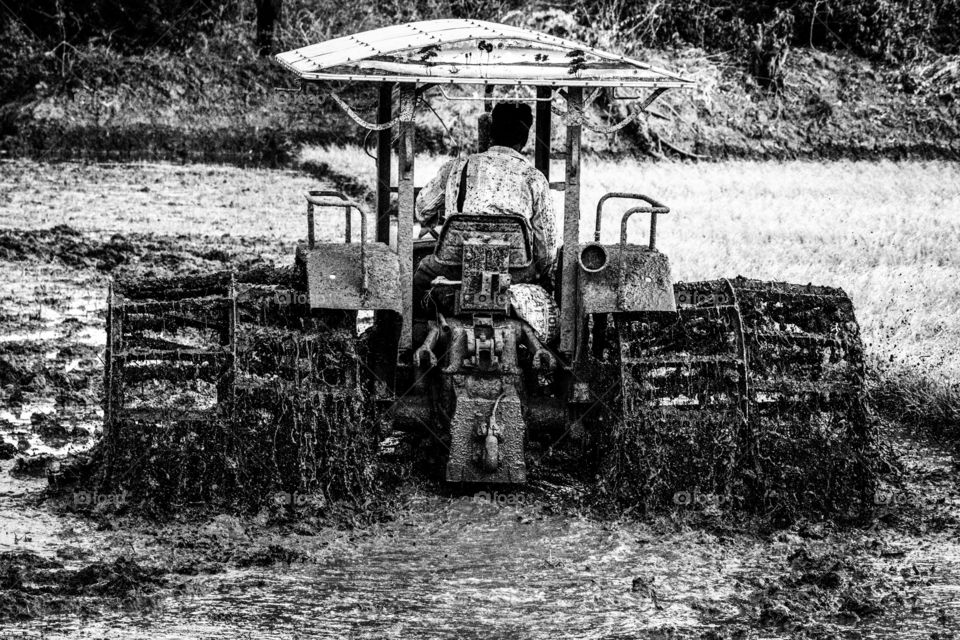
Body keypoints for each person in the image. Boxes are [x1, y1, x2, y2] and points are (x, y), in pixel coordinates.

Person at [413, 102, 557, 313]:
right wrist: (539, 273)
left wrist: (434, 217)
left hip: (455, 268)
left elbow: (422, 208)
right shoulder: (534, 178)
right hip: (514, 273)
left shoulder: (456, 168)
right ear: (524, 140)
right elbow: (547, 247)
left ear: (491, 132)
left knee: (419, 279)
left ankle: (408, 335)